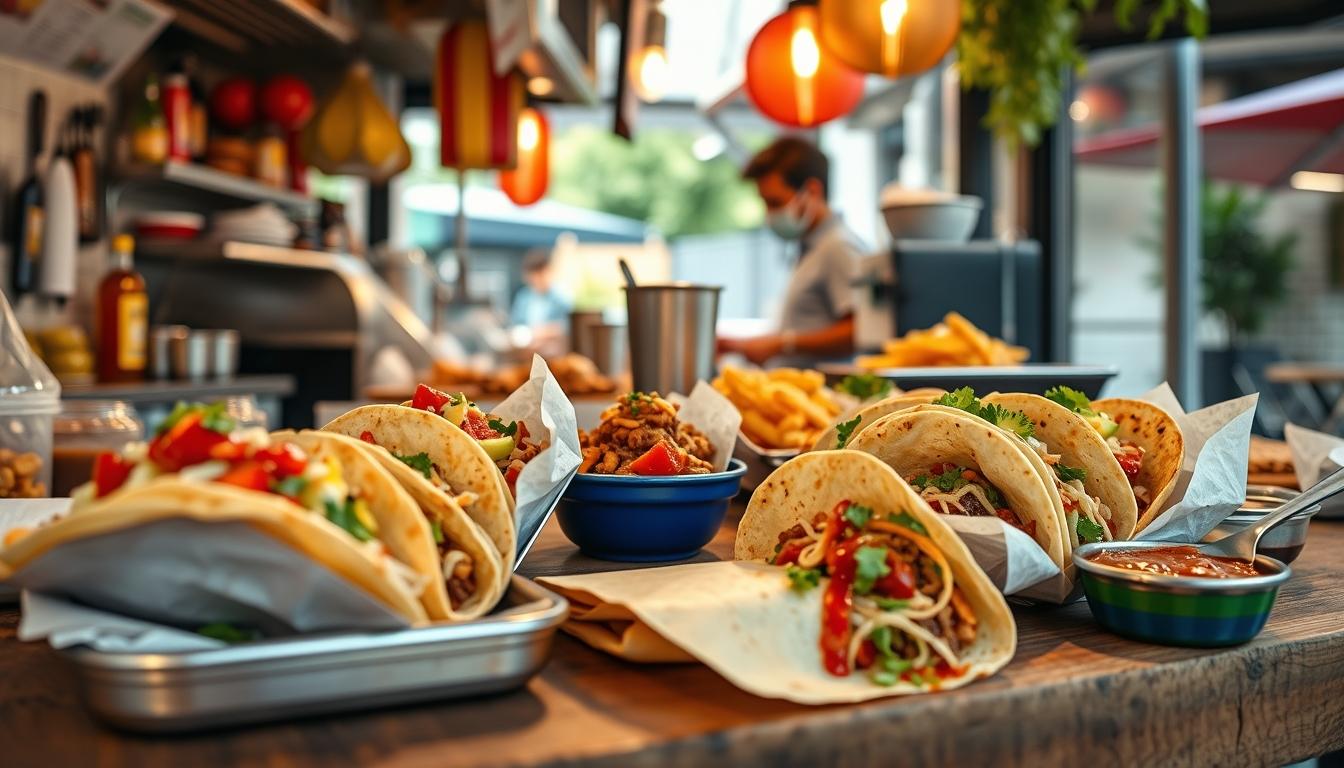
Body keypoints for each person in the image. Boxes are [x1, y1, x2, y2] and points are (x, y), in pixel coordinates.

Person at [719, 136, 865, 367]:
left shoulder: (838, 247)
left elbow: (860, 330)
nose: (768, 215)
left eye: (775, 202)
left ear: (812, 191)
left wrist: (782, 344)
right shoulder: (810, 248)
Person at [510, 248, 570, 330]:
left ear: (548, 271)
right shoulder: (523, 297)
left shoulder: (562, 298)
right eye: (532, 276)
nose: (536, 280)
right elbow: (516, 323)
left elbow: (568, 326)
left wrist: (547, 331)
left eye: (539, 275)